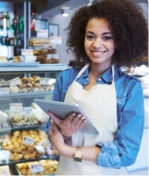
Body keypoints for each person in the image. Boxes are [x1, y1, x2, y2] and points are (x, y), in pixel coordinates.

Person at [47, 0, 148, 175]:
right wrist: (64, 132)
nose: (96, 44)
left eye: (107, 37)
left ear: (120, 41)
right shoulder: (66, 78)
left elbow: (126, 154)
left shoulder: (130, 89)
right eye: (90, 36)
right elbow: (52, 133)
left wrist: (68, 150)